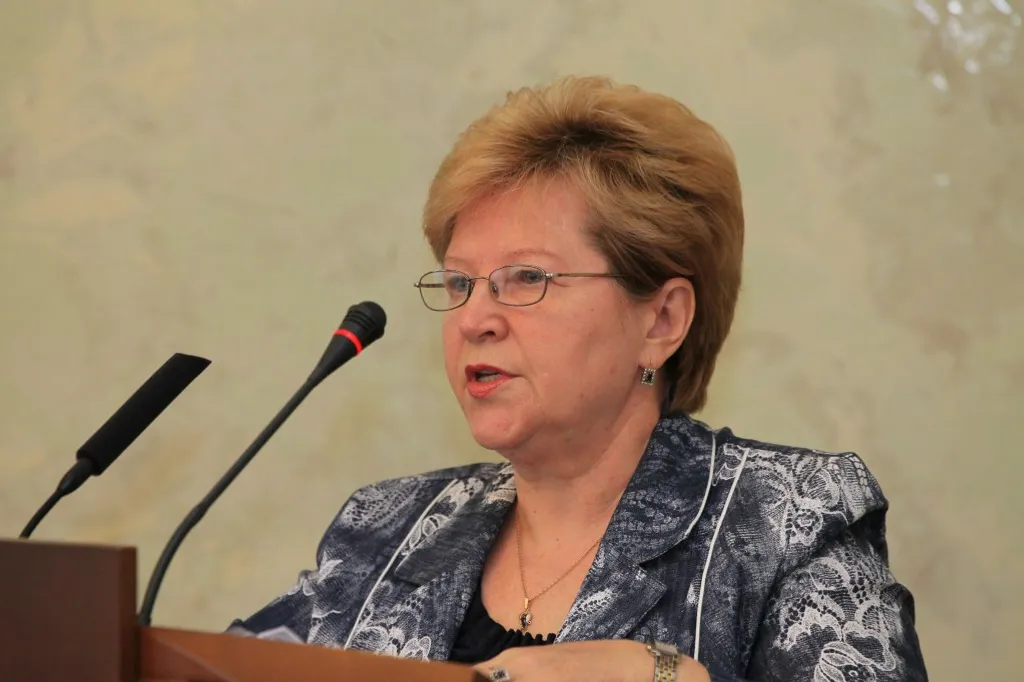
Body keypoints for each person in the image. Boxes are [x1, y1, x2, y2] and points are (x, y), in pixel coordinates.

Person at [229, 76, 928, 682]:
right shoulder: (386, 531)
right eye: (460, 282)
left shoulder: (789, 524)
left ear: (661, 319)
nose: (474, 319)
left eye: (526, 278)